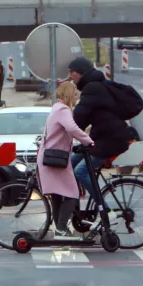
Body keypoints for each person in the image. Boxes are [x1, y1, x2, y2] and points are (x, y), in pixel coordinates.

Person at [67, 56, 132, 213]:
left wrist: (66, 131)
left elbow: (80, 115)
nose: (70, 76)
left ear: (80, 72)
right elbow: (85, 118)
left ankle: (105, 209)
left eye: (72, 72)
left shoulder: (92, 88)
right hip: (100, 139)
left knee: (80, 171)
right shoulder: (94, 86)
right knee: (70, 163)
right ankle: (75, 205)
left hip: (111, 140)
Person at [37, 81, 94, 238]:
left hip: (49, 158)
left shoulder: (56, 108)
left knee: (57, 194)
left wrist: (74, 145)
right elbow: (71, 128)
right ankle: (61, 228)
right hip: (56, 159)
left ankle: (60, 229)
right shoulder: (64, 110)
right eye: (75, 95)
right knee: (73, 193)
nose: (76, 98)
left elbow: (60, 134)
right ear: (69, 95)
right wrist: (88, 141)